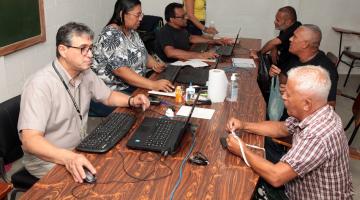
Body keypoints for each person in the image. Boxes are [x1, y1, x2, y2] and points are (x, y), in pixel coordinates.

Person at [18, 22, 150, 183]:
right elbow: (30, 140)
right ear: (63, 50)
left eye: (90, 48)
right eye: (83, 49)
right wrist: (68, 157)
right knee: (102, 183)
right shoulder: (40, 85)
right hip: (48, 158)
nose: (90, 55)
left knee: (122, 167)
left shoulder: (84, 72)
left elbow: (107, 96)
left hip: (78, 148)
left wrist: (131, 100)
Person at [225, 66, 353, 199]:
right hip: (294, 187)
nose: (283, 96)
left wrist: (241, 150)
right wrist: (244, 125)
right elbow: (281, 128)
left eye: (288, 94)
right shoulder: (316, 111)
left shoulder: (318, 135)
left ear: (306, 104)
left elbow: (276, 176)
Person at [92, 0, 174, 94]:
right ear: (122, 14)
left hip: (134, 84)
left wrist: (155, 64)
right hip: (114, 91)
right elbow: (121, 71)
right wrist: (153, 85)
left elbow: (144, 55)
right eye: (137, 15)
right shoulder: (111, 35)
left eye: (141, 15)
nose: (140, 19)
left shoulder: (132, 32)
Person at [270, 24, 338, 107]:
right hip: (289, 105)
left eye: (294, 37)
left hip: (304, 116)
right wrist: (277, 74)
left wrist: (297, 95)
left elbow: (330, 105)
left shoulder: (325, 70)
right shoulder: (294, 56)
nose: (290, 39)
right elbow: (284, 79)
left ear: (305, 44)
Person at [154, 3, 231, 63]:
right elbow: (170, 52)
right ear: (171, 19)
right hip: (172, 65)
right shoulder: (164, 31)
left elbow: (191, 38)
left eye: (186, 15)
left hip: (185, 60)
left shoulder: (181, 27)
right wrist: (200, 55)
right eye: (183, 16)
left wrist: (213, 41)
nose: (186, 18)